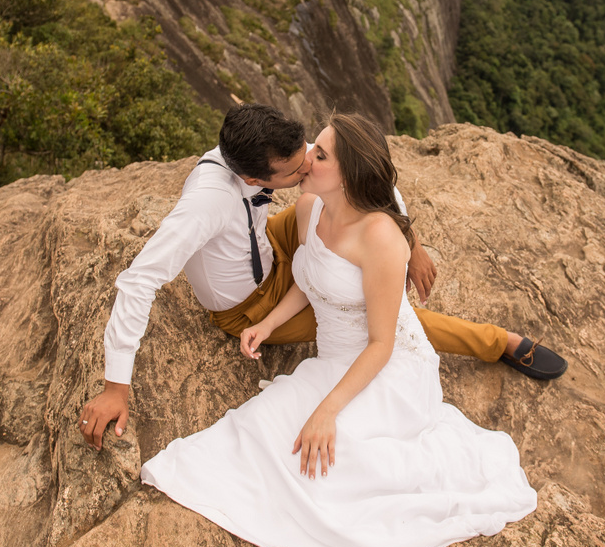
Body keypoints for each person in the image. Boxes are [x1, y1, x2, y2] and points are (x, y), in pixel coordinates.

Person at [139, 113, 538, 547]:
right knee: (254, 432)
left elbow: (381, 345)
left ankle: (491, 348)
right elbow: (309, 279)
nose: (307, 159)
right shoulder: (311, 208)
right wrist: (266, 325)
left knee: (336, 467)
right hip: (332, 359)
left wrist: (327, 410)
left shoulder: (381, 239)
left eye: (321, 154)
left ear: (347, 177)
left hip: (386, 369)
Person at [79, 104, 566, 452]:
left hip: (273, 243)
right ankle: (495, 341)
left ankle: (475, 329)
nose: (307, 167)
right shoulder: (207, 202)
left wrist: (408, 241)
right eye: (296, 171)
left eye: (310, 157)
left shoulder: (270, 151)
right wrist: (115, 386)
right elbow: (138, 280)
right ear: (254, 180)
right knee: (379, 315)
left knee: (352, 238)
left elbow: (364, 170)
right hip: (251, 302)